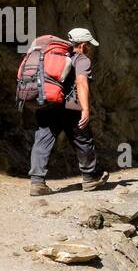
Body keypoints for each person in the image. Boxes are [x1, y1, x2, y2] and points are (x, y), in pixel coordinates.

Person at [28, 27, 108, 196]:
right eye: (89, 45)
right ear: (84, 45)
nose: (90, 49)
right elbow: (81, 83)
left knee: (42, 141)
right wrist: (86, 109)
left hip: (46, 104)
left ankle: (37, 183)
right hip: (70, 108)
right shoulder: (81, 59)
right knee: (84, 140)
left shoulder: (50, 56)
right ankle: (89, 178)